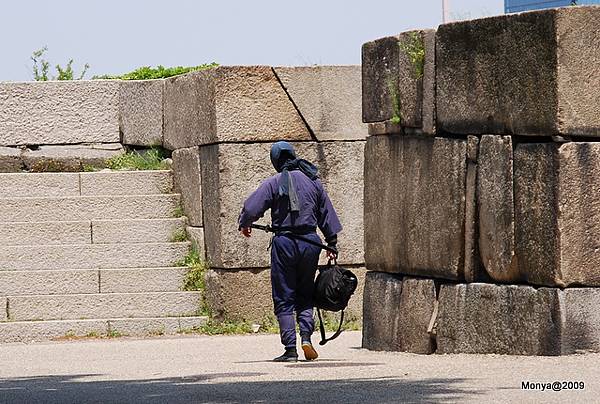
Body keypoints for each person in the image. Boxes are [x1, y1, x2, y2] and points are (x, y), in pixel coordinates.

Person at [238, 141, 342, 362]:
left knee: (284, 294)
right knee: (305, 293)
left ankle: (290, 349)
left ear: (275, 161)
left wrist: (245, 222)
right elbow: (326, 214)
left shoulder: (274, 183)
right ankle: (306, 337)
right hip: (310, 244)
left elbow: (250, 208)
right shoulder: (313, 182)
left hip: (285, 243)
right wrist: (331, 243)